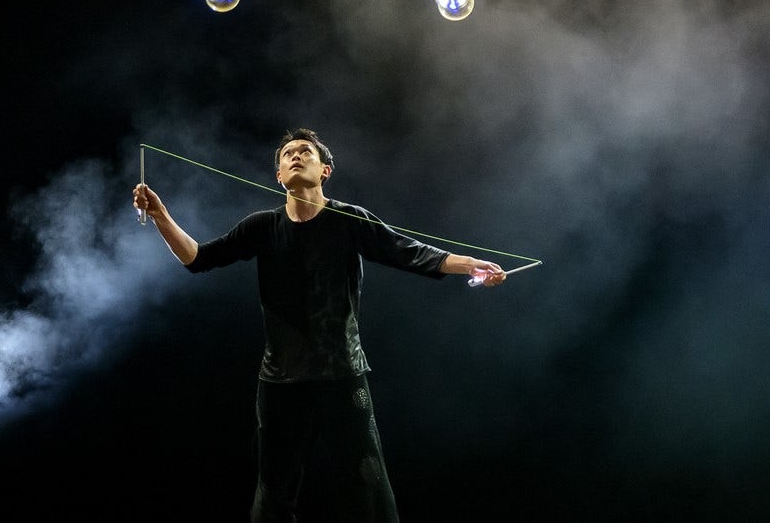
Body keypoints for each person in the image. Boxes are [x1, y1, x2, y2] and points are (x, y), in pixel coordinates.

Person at [132, 128, 507, 523]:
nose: (295, 156)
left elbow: (409, 252)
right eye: (287, 154)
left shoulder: (350, 220)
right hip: (279, 381)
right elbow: (198, 259)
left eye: (305, 152)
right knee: (272, 491)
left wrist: (470, 264)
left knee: (367, 482)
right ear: (279, 175)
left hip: (342, 373)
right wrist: (160, 215)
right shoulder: (261, 226)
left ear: (325, 170)